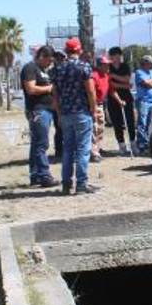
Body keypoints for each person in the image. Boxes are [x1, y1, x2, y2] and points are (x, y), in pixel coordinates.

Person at [51, 38, 98, 195]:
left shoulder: (58, 69)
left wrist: (58, 113)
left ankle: (66, 184)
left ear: (66, 50)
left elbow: (55, 94)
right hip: (81, 113)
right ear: (79, 50)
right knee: (83, 150)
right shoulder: (84, 67)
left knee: (68, 150)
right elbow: (91, 91)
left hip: (65, 113)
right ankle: (81, 184)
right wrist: (94, 109)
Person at [20, 46, 57, 187]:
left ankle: (35, 175)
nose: (50, 64)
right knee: (42, 144)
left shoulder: (43, 71)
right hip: (37, 111)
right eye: (49, 60)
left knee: (36, 144)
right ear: (42, 56)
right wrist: (49, 88)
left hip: (46, 110)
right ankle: (44, 175)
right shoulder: (30, 68)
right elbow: (30, 89)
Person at [107, 46, 137, 155]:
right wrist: (125, 85)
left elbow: (127, 79)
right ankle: (122, 146)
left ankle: (133, 144)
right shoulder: (108, 67)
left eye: (119, 55)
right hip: (112, 99)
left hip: (127, 97)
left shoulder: (125, 66)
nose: (117, 58)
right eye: (115, 56)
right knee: (117, 123)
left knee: (130, 122)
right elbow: (110, 84)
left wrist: (115, 77)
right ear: (111, 57)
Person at [133, 55, 152, 154]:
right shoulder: (139, 72)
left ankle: (147, 142)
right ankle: (142, 144)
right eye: (151, 63)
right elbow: (146, 83)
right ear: (145, 63)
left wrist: (151, 82)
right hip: (143, 101)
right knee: (142, 123)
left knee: (149, 123)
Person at [90, 56, 113, 163]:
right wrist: (93, 107)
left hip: (101, 104)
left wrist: (119, 100)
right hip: (93, 105)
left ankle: (97, 150)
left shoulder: (106, 76)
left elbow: (111, 91)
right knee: (94, 129)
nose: (108, 66)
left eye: (108, 64)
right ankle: (93, 153)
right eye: (105, 64)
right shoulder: (94, 76)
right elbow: (91, 93)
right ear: (99, 65)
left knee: (101, 128)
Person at [49, 49, 66, 162]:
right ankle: (59, 151)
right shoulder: (50, 72)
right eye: (57, 57)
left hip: (68, 103)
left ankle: (68, 150)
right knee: (59, 128)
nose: (59, 59)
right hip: (57, 103)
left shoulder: (68, 70)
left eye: (61, 57)